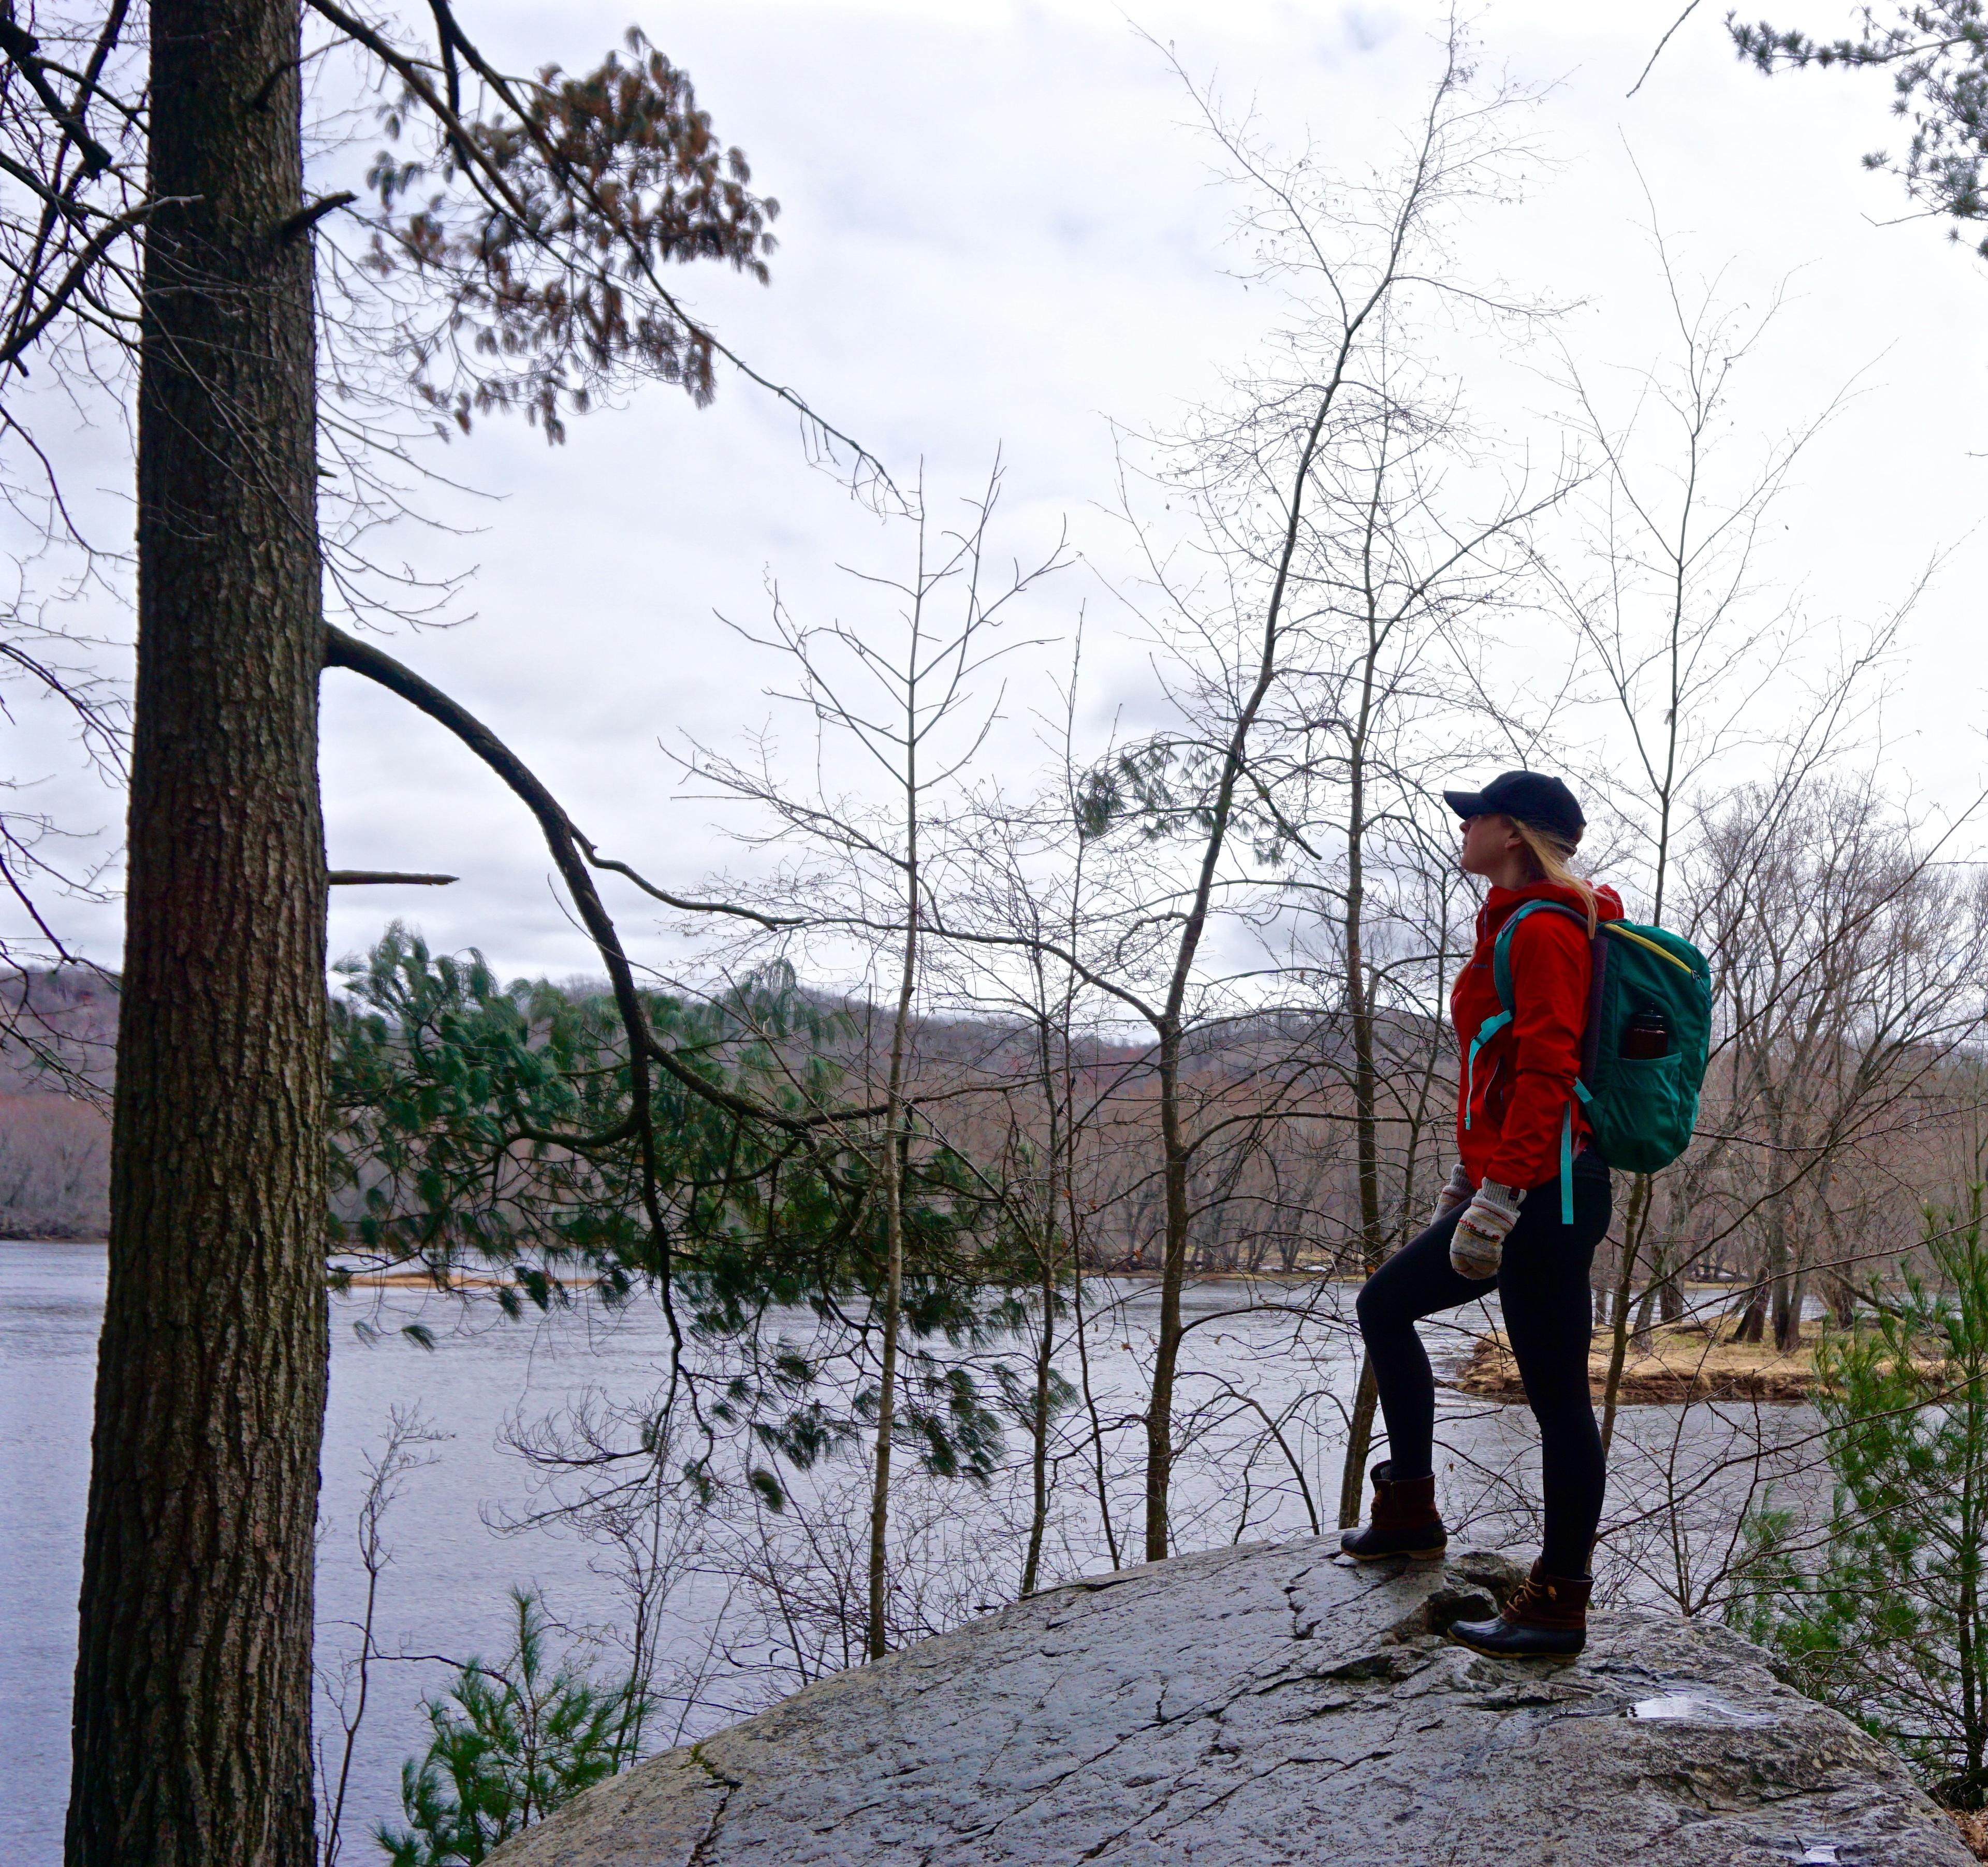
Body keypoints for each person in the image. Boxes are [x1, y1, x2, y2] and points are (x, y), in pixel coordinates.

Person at [1339, 769, 1618, 1661]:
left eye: (1477, 815)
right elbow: (1491, 1071)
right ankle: (1412, 1512)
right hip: (1516, 1183)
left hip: (1547, 1195)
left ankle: (1557, 1602)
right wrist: (1469, 1178)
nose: (1463, 828)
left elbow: (1545, 1071)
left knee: (1557, 1401)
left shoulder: (1544, 929)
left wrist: (1502, 1196)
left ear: (1513, 832)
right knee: (1386, 1304)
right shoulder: (1505, 923)